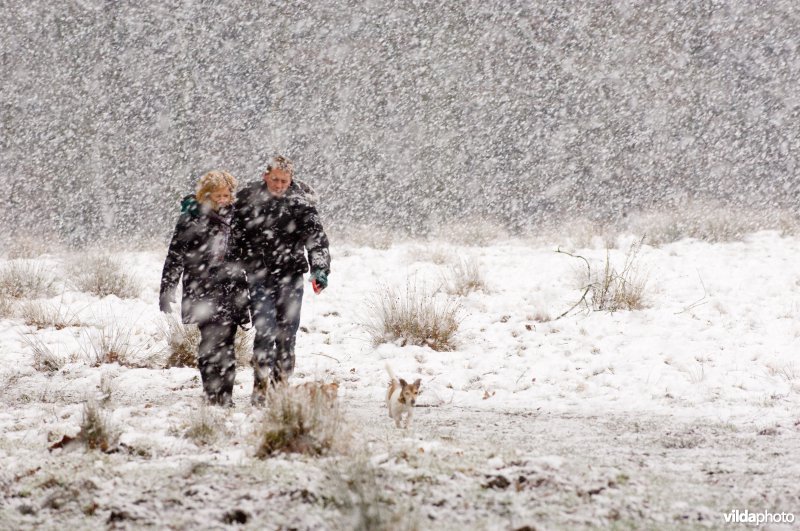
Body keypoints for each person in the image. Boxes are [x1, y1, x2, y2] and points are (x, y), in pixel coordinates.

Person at [227, 156, 331, 405]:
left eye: (284, 180)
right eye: (274, 179)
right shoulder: (247, 200)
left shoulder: (300, 202)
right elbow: (233, 237)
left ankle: (280, 389)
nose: (279, 184)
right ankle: (260, 389)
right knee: (265, 330)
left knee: (288, 334)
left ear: (291, 179)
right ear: (265, 176)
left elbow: (316, 238)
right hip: (258, 275)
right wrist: (232, 270)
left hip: (291, 275)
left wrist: (320, 269)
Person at [159, 170, 250, 407]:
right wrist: (167, 289)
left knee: (228, 343)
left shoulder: (238, 218)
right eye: (217, 195)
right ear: (206, 195)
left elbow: (250, 252)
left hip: (231, 289)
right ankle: (211, 393)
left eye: (226, 195)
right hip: (202, 289)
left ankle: (226, 396)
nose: (223, 200)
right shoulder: (191, 219)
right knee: (209, 341)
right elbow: (176, 255)